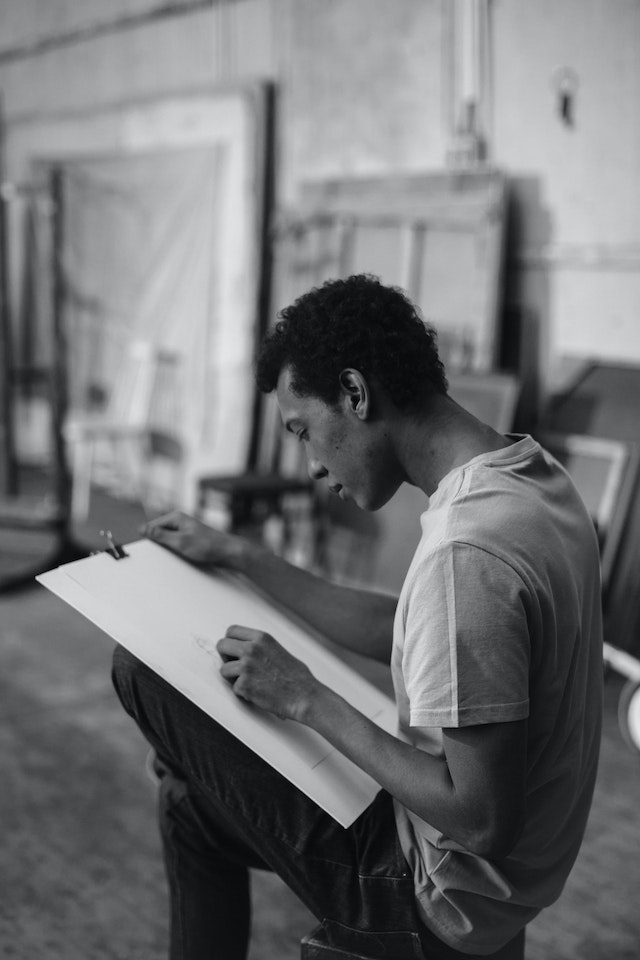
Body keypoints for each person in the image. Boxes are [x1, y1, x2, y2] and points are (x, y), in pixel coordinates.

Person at [112, 274, 603, 959]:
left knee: (139, 672)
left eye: (303, 430)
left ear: (355, 392)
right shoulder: (530, 479)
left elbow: (482, 817)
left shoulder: (467, 554)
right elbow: (403, 630)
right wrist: (244, 556)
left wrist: (307, 698)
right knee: (191, 807)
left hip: (438, 892)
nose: (312, 464)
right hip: (509, 877)